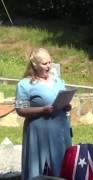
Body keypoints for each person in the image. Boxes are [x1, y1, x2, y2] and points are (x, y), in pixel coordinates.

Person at [15, 48, 72, 179]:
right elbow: (20, 110)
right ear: (35, 65)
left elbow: (63, 99)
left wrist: (66, 106)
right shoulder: (25, 84)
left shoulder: (57, 81)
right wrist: (42, 110)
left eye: (50, 62)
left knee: (62, 165)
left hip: (60, 131)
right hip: (39, 134)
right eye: (44, 64)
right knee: (40, 169)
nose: (48, 66)